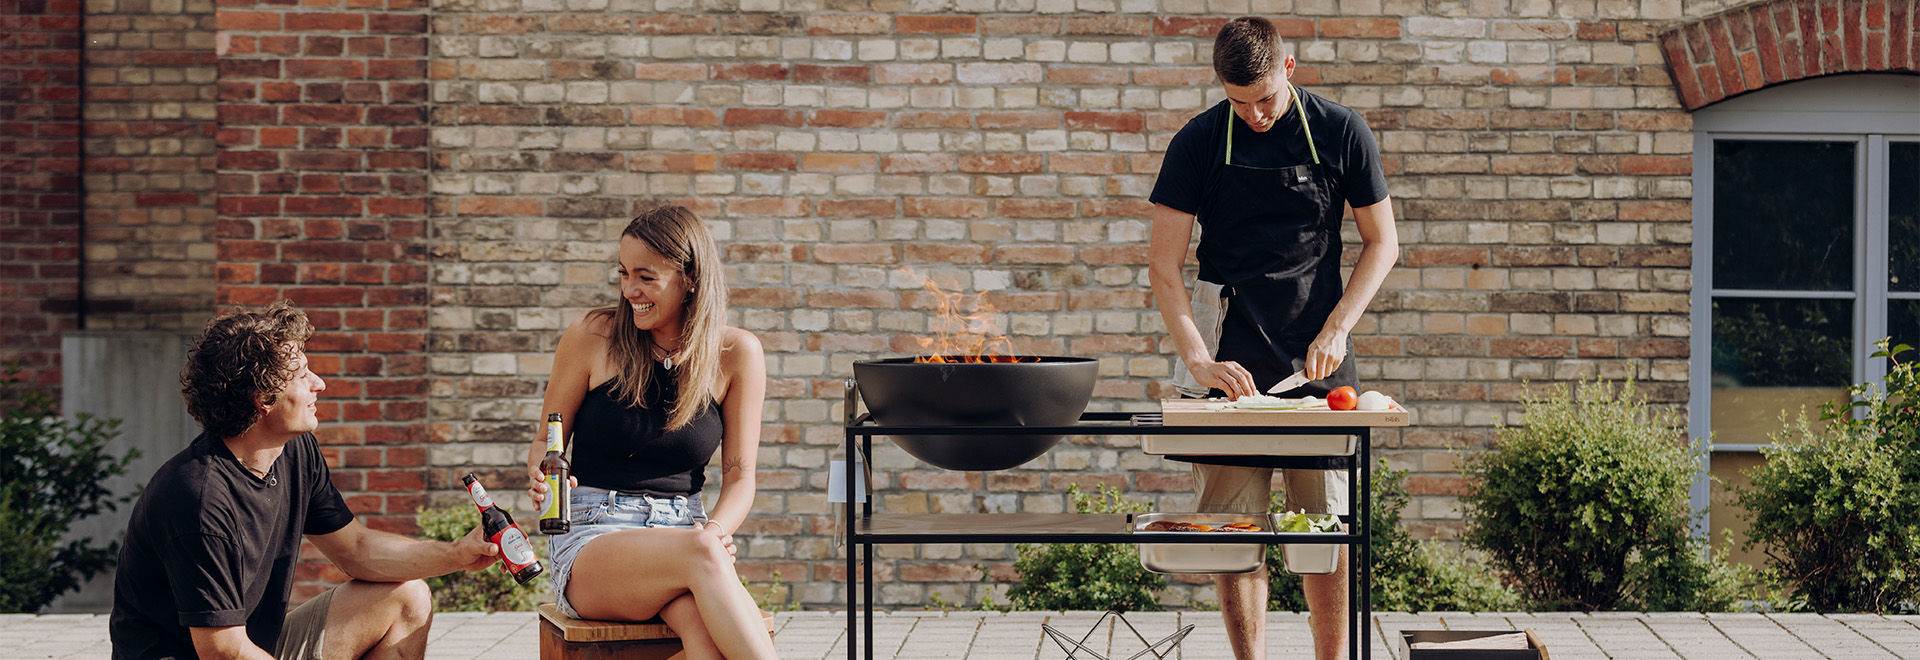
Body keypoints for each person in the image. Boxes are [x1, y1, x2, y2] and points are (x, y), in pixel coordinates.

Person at [1147, 17, 1399, 660]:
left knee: (1325, 538)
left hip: (1319, 365)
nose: (1254, 115)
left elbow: (1383, 242)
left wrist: (1339, 327)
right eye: (1239, 103)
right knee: (1232, 537)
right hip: (1229, 363)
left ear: (1289, 68)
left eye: (1264, 99)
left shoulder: (1341, 131)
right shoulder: (1198, 142)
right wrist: (1198, 361)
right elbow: (1163, 267)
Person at [110, 301, 501, 660]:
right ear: (264, 399)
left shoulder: (294, 451)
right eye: (301, 374)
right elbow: (223, 650)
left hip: (250, 649)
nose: (319, 384)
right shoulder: (199, 498)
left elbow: (356, 549)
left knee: (407, 596)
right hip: (213, 655)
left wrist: (457, 554)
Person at [527, 204, 777, 660]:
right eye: (623, 273)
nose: (630, 291)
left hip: (686, 535)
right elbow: (548, 440)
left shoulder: (736, 353)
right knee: (702, 554)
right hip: (594, 536)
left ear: (690, 278)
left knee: (707, 644)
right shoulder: (593, 336)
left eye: (646, 277)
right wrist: (540, 475)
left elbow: (741, 475)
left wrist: (715, 531)